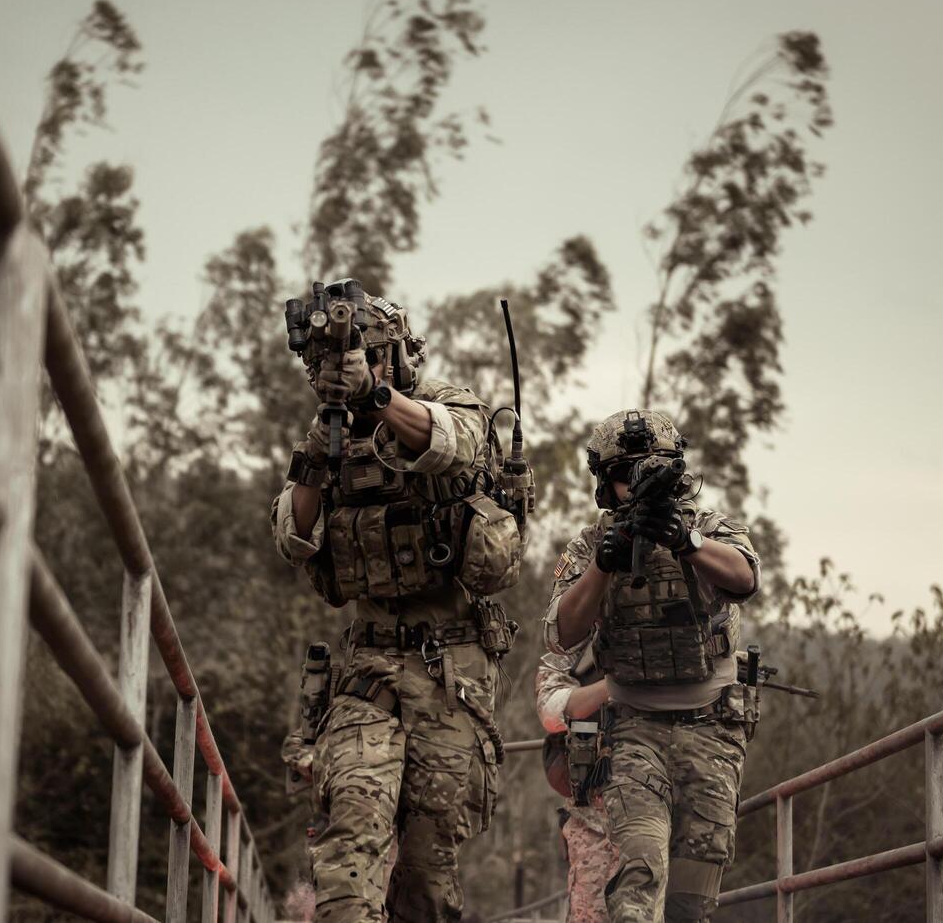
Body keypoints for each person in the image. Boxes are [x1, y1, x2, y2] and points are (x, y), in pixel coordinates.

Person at [272, 281, 525, 923]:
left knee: (425, 878)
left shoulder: (445, 403)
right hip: (369, 675)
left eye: (376, 355)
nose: (361, 368)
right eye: (340, 362)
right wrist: (317, 445)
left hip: (452, 678)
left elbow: (454, 443)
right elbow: (296, 538)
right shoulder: (323, 439)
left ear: (402, 356)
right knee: (349, 847)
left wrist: (378, 397)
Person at [545, 410, 760, 922]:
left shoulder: (708, 527)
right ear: (604, 483)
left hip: (712, 730)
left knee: (691, 901)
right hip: (634, 732)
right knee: (639, 875)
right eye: (624, 475)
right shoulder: (589, 545)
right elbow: (563, 634)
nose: (633, 484)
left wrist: (687, 543)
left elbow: (745, 578)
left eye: (647, 470)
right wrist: (605, 563)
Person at [536, 646, 616, 923]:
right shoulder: (579, 634)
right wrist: (617, 686)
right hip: (595, 813)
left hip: (665, 803)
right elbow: (550, 710)